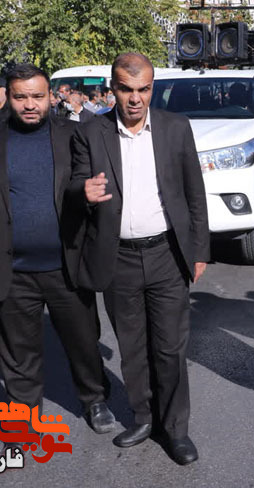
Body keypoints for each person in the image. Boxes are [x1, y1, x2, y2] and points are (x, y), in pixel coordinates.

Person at [0, 63, 116, 451]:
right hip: (12, 270)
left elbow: (89, 184)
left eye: (37, 96)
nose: (30, 105)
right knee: (18, 353)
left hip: (67, 265)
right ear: (8, 98)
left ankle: (95, 399)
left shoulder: (73, 136)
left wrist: (89, 198)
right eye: (21, 97)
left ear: (51, 96)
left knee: (83, 341)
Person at [69, 52, 209, 466]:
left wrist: (199, 250)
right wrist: (82, 192)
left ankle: (176, 429)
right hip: (118, 258)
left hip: (166, 254)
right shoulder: (90, 132)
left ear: (153, 88)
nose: (135, 99)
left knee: (170, 347)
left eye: (143, 89)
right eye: (127, 89)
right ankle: (145, 418)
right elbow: (74, 182)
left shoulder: (175, 128)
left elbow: (194, 193)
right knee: (132, 348)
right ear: (112, 88)